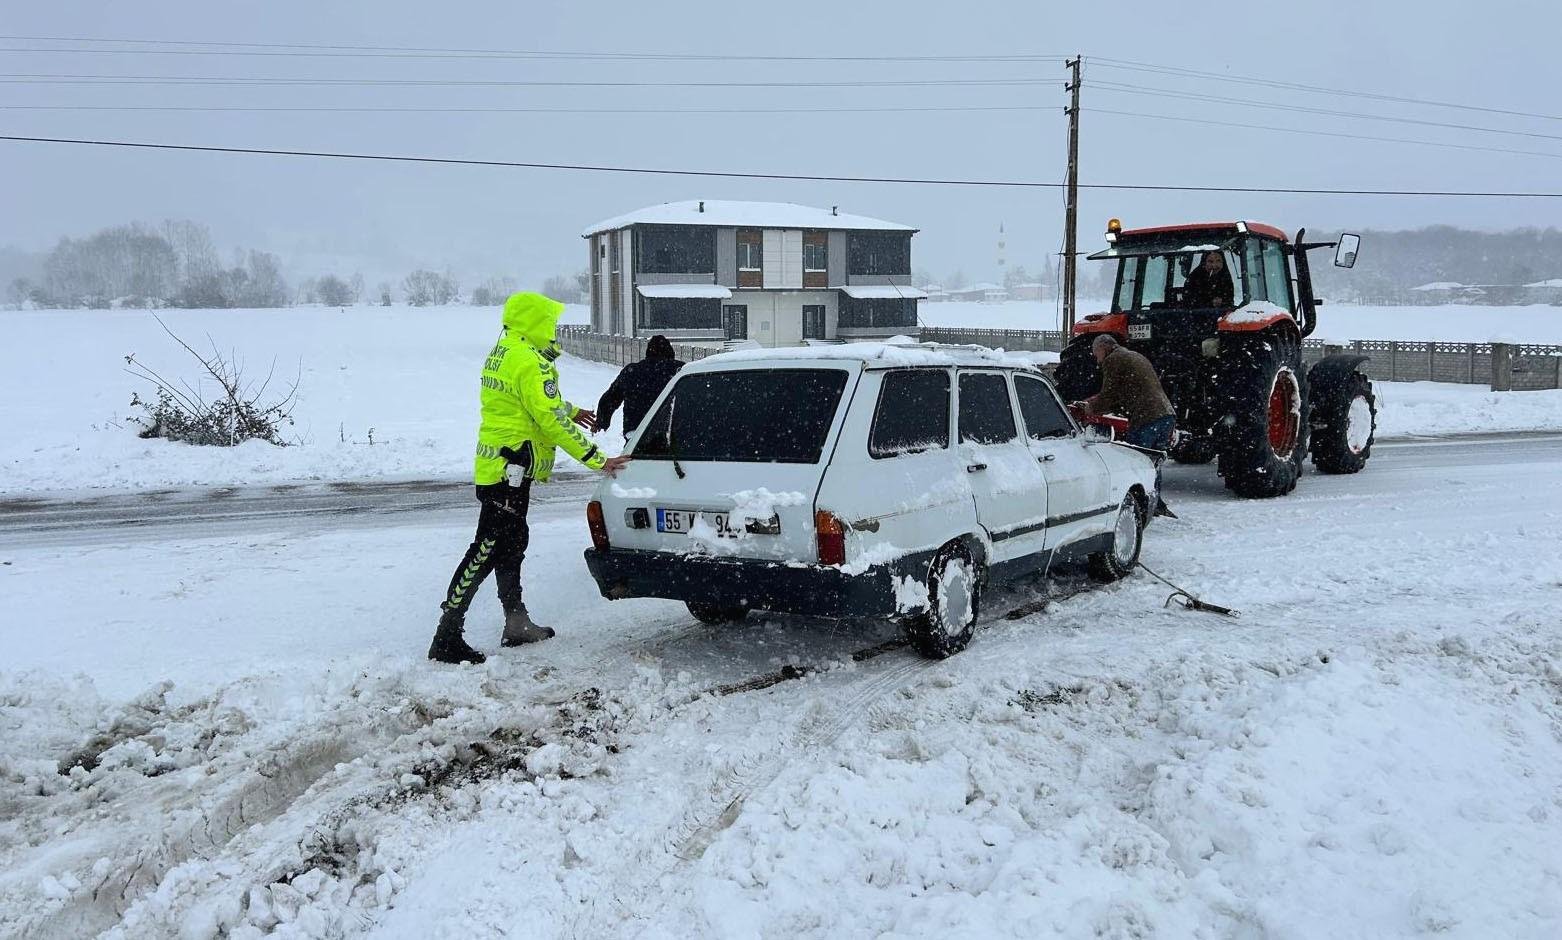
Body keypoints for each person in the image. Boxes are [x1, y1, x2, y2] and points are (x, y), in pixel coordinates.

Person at [428, 291, 630, 665]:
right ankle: (447, 634)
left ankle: (516, 623)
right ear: (533, 323)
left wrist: (570, 408)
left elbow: (533, 401)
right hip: (509, 472)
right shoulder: (530, 361)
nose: (553, 330)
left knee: (511, 544)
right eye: (549, 324)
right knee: (486, 549)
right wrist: (596, 459)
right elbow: (548, 419)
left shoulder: (505, 350)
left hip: (504, 468)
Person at [1076, 334, 1176, 516]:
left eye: (1095, 353)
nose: (1096, 358)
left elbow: (1109, 393)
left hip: (1147, 417)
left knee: (1134, 460)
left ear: (1104, 348)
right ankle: (1156, 502)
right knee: (1153, 460)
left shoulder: (1113, 360)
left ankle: (1136, 505)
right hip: (1166, 414)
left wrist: (1090, 408)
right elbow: (1129, 390)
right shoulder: (1134, 355)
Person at [595, 334, 684, 437]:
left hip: (635, 433)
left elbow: (610, 398)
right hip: (671, 432)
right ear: (671, 352)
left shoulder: (632, 371)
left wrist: (601, 422)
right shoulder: (680, 370)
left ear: (648, 352)